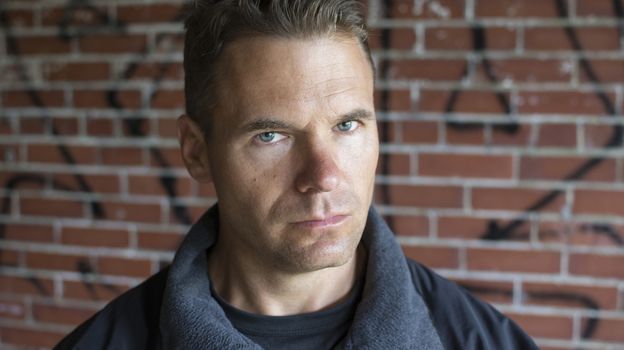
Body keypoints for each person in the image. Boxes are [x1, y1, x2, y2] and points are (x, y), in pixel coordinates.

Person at [56, 0, 538, 349]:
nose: (323, 176)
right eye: (271, 135)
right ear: (196, 152)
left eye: (347, 125)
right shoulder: (103, 341)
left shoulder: (481, 339)